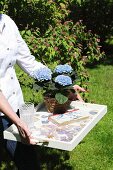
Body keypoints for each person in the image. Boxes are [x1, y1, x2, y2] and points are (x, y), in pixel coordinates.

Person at [0, 13, 85, 170]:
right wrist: (17, 121)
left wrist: (63, 86)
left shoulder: (7, 22)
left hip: (15, 104)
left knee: (28, 160)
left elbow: (29, 62)